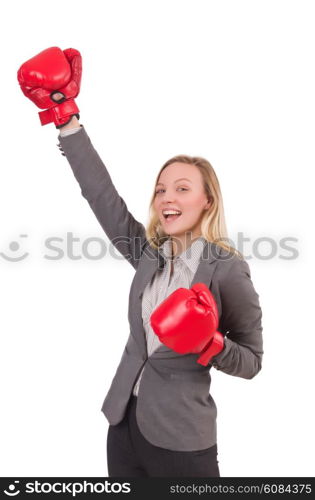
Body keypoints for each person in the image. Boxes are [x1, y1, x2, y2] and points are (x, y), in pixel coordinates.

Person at [17, 47, 263, 477]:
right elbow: (102, 197)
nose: (167, 197)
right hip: (123, 423)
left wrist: (211, 344)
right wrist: (66, 118)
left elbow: (253, 361)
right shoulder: (149, 255)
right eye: (161, 189)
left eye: (182, 188)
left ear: (207, 201)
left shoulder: (225, 268)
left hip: (182, 438)